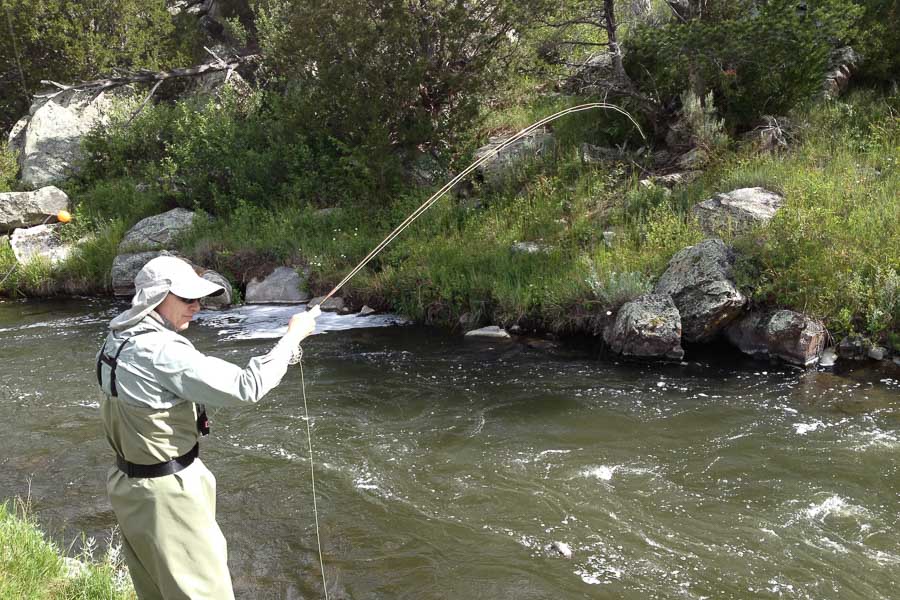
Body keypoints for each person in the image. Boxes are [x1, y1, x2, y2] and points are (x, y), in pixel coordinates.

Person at [96, 256, 319, 599]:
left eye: (199, 299)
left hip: (129, 489)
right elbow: (248, 385)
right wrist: (293, 337)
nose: (197, 307)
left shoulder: (116, 339)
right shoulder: (161, 351)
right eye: (187, 299)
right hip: (168, 497)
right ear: (156, 298)